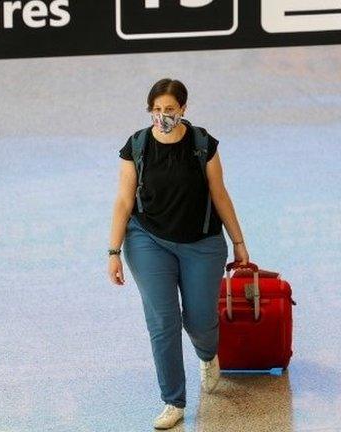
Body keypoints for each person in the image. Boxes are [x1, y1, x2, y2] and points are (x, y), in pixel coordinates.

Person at [107, 78, 250, 430]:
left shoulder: (203, 145)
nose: (162, 116)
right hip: (147, 241)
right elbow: (125, 200)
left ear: (183, 109)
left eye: (169, 110)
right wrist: (113, 251)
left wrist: (239, 242)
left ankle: (207, 354)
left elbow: (220, 194)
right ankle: (173, 401)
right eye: (156, 110)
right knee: (163, 320)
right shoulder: (137, 146)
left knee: (199, 320)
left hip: (201, 243)